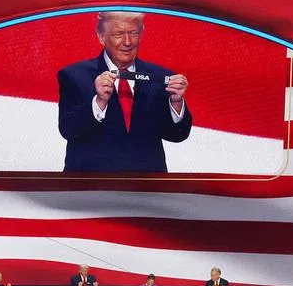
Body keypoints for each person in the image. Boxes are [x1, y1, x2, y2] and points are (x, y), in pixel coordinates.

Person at [57, 11, 192, 173]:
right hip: (91, 189)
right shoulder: (74, 75)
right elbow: (68, 130)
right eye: (118, 34)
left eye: (133, 33)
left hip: (147, 190)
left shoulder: (162, 77)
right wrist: (99, 102)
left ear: (141, 34)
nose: (127, 42)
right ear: (101, 36)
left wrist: (176, 103)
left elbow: (177, 135)